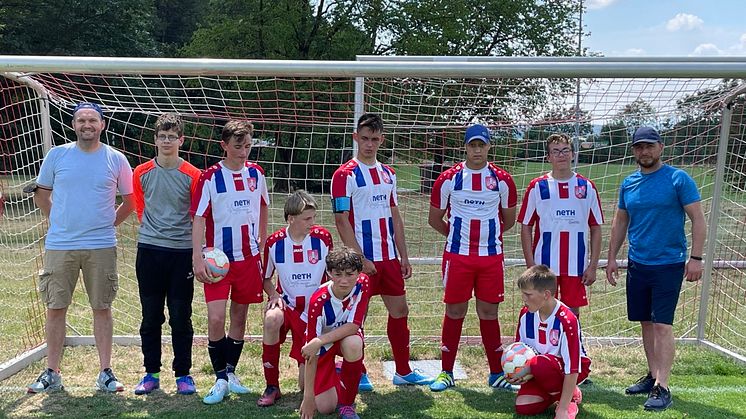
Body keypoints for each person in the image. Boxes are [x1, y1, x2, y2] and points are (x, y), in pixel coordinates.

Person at [27, 102, 134, 393]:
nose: (87, 125)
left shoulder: (116, 159)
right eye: (81, 120)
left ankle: (106, 372)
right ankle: (52, 371)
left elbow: (129, 201)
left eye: (92, 120)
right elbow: (42, 195)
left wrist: (106, 225)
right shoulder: (57, 155)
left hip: (101, 246)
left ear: (102, 125)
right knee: (55, 307)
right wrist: (62, 221)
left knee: (102, 307)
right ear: (74, 125)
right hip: (61, 245)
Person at [606, 126, 705, 411]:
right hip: (638, 264)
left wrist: (696, 258)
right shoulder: (629, 183)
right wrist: (611, 258)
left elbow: (698, 219)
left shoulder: (678, 179)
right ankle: (652, 376)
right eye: (639, 147)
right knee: (646, 323)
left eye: (649, 146)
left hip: (669, 264)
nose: (644, 151)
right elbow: (620, 222)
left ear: (661, 147)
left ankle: (663, 386)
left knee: (663, 325)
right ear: (634, 150)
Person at [330, 113, 432, 390]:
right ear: (355, 138)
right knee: (355, 317)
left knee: (400, 311)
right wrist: (360, 258)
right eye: (364, 138)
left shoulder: (389, 174)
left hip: (389, 259)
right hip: (360, 260)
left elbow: (395, 216)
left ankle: (403, 371)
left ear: (381, 140)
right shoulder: (344, 175)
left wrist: (404, 256)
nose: (369, 144)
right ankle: (358, 370)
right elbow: (341, 219)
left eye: (374, 139)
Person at [428, 123, 518, 391]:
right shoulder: (448, 179)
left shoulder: (503, 180)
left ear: (489, 146)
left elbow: (509, 220)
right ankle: (446, 372)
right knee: (455, 311)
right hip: (458, 257)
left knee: (489, 312)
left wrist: (485, 239)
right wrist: (457, 236)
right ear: (465, 147)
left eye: (482, 145)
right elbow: (434, 219)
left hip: (490, 257)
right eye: (472, 145)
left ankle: (495, 372)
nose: (477, 150)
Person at [191, 119, 269, 405]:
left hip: (248, 258)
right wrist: (197, 256)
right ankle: (219, 377)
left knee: (239, 317)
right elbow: (198, 217)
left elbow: (262, 205)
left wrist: (262, 237)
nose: (243, 151)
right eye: (238, 146)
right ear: (224, 146)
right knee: (215, 317)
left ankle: (231, 373)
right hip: (217, 260)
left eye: (248, 145)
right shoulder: (210, 177)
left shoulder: (257, 173)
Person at [131, 113, 201, 395]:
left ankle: (183, 374)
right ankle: (151, 373)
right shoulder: (141, 172)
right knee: (150, 316)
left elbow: (197, 215)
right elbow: (140, 209)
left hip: (181, 253)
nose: (167, 141)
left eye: (173, 137)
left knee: (181, 315)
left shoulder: (193, 175)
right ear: (155, 139)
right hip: (149, 251)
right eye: (163, 136)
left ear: (181, 140)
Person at [257, 190, 332, 407]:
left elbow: (332, 275)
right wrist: (274, 294)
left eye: (313, 217)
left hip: (313, 311)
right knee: (271, 318)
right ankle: (272, 386)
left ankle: (331, 369)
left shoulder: (323, 238)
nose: (312, 222)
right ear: (291, 218)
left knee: (303, 386)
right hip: (288, 305)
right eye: (307, 219)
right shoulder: (274, 242)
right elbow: (266, 279)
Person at [519, 133, 604, 315]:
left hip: (576, 264)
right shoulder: (537, 186)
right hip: (544, 265)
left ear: (573, 154)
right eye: (555, 151)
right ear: (548, 157)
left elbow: (596, 227)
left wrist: (593, 265)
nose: (561, 155)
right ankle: (541, 344)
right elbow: (526, 226)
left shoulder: (587, 186)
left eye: (566, 150)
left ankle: (571, 344)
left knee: (571, 313)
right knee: (542, 310)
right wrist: (530, 264)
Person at [509, 265, 590, 419]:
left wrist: (563, 410)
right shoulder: (526, 314)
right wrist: (515, 372)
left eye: (528, 294)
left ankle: (568, 399)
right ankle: (557, 394)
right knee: (524, 406)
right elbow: (520, 350)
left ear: (546, 294)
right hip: (539, 370)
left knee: (540, 364)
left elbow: (573, 367)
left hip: (570, 370)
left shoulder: (567, 320)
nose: (524, 299)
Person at [300, 247, 371, 419]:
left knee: (354, 343)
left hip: (339, 338)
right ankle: (340, 371)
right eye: (338, 274)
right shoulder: (318, 301)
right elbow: (312, 353)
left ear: (359, 272)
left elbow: (354, 326)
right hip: (321, 346)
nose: (344, 280)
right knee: (324, 406)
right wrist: (308, 398)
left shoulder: (363, 283)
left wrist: (320, 340)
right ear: (329, 273)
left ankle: (347, 404)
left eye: (349, 274)